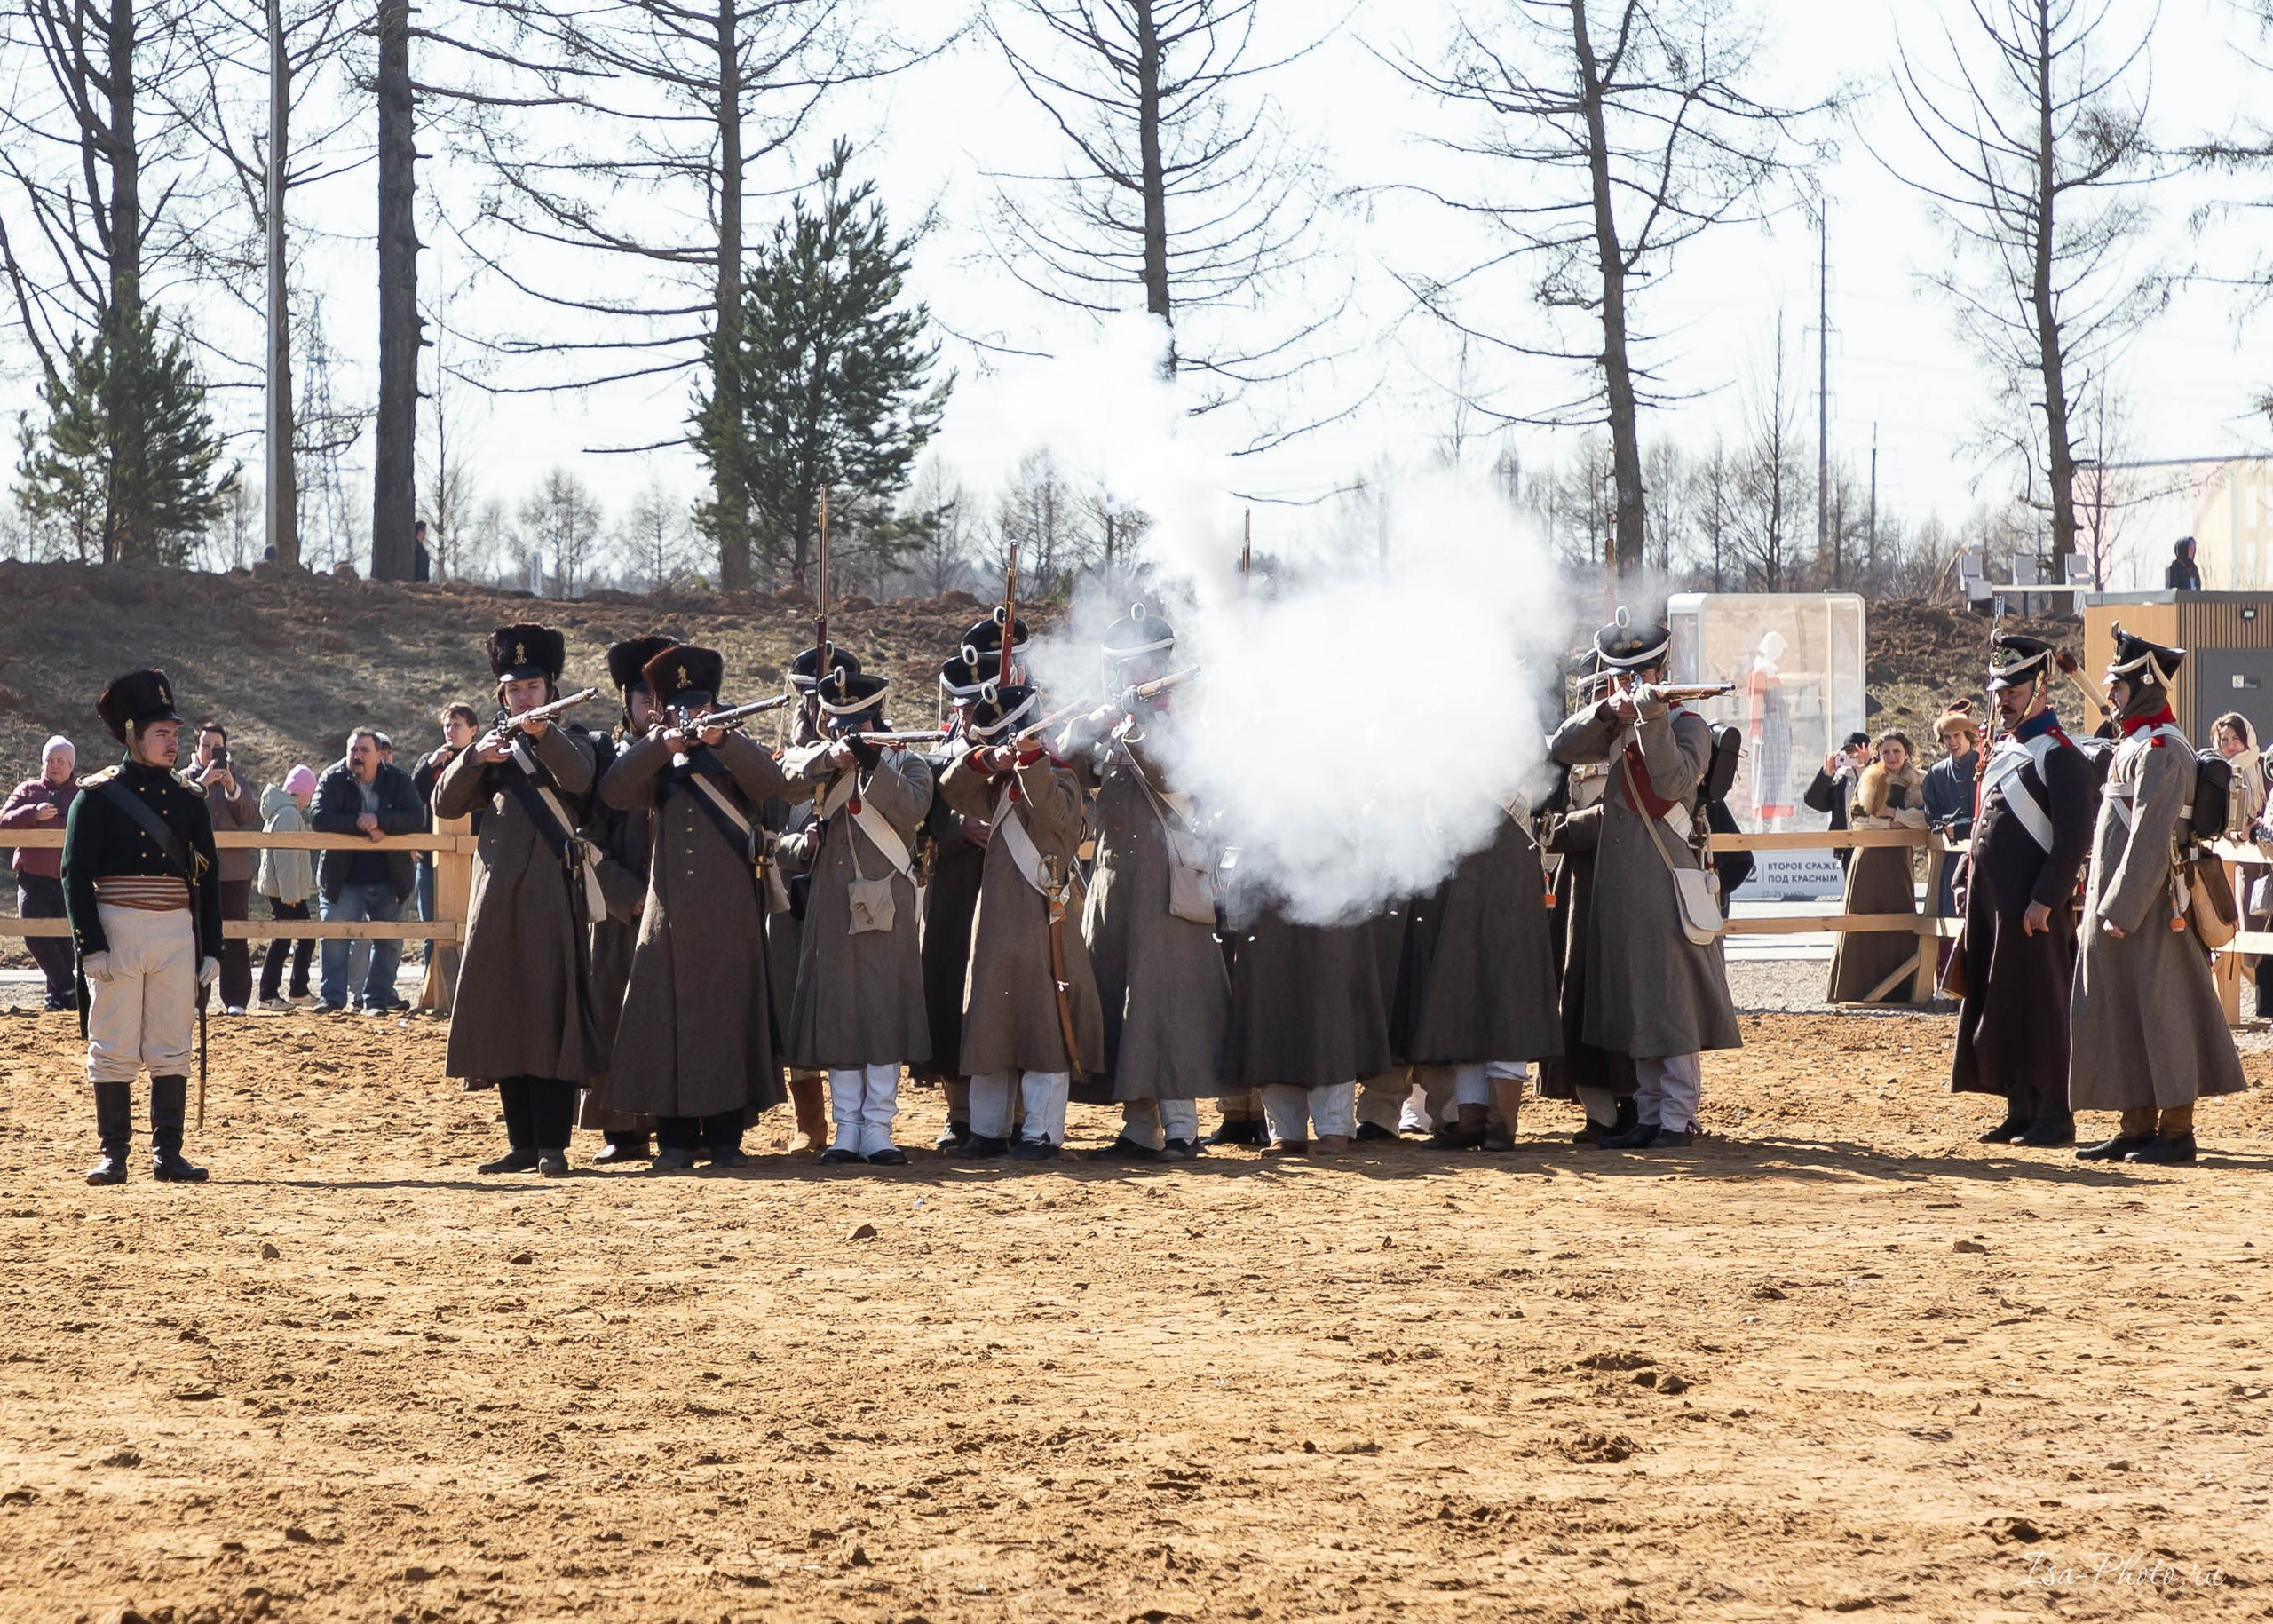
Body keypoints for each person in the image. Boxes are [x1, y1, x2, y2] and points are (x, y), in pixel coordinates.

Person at [1547, 609, 1743, 1150]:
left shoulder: (1687, 725)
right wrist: (1609, 711)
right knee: (1638, 1003)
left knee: (1670, 1004)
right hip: (1621, 888)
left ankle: (1677, 1117)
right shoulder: (1614, 722)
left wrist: (1650, 717)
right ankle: (1651, 1115)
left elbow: (1672, 783)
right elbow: (1561, 748)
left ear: (1660, 671)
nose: (1632, 685)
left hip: (1665, 882)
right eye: (1621, 677)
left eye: (1641, 675)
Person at [597, 643, 793, 1169]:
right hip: (667, 915)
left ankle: (727, 1138)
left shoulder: (734, 748)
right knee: (666, 1027)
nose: (693, 717)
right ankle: (675, 1141)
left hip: (730, 913)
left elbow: (773, 787)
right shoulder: (655, 755)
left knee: (728, 1024)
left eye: (701, 707)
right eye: (683, 709)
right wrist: (660, 744)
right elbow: (614, 792)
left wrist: (722, 739)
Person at [434, 623, 607, 1176]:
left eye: (533, 686)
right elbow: (444, 804)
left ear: (550, 689)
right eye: (514, 688)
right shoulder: (492, 749)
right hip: (495, 896)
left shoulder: (572, 735)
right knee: (506, 1013)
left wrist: (542, 737)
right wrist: (473, 759)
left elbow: (581, 780)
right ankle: (522, 1144)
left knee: (549, 1014)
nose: (524, 696)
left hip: (552, 895)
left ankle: (553, 1143)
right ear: (501, 694)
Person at [2071, 630, 2248, 1164]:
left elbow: (2151, 834)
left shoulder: (2162, 748)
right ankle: (2136, 1123)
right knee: (2127, 1012)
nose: (2114, 696)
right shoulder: (2136, 742)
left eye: (2121, 687)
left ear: (2145, 685)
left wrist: (2121, 907)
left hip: (2155, 906)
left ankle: (2175, 1130)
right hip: (2127, 903)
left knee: (2165, 1012)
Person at [1063, 605, 1228, 1162]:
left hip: (1166, 883)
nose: (1127, 679)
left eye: (1137, 668)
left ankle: (1182, 1129)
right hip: (1114, 881)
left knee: (1167, 1004)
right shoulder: (1116, 720)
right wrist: (1086, 729)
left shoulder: (1182, 727)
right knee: (1120, 1000)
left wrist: (1136, 726)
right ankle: (1138, 1127)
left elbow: (1178, 780)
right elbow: (1064, 764)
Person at [62, 670, 223, 1185]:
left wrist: (211, 948)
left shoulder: (190, 799)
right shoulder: (98, 797)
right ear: (131, 735)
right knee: (111, 1044)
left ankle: (168, 1153)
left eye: (175, 733)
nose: (173, 741)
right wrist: (91, 946)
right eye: (161, 733)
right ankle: (114, 1154)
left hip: (176, 929)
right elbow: (74, 874)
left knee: (171, 1041)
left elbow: (209, 880)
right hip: (118, 927)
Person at [939, 679, 1105, 1161]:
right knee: (990, 1027)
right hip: (994, 923)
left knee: (1044, 1032)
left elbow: (1058, 819)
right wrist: (990, 760)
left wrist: (1032, 762)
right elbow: (951, 789)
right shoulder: (997, 782)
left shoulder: (1063, 776)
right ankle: (988, 1131)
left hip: (1043, 919)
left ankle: (1042, 1134)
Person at [780, 667, 933, 1167]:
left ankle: (879, 1127)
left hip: (887, 902)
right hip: (830, 906)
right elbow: (785, 778)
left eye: (858, 721)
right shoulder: (821, 761)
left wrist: (874, 765)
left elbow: (913, 810)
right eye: (837, 720)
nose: (847, 730)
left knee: (883, 1016)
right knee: (842, 1018)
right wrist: (834, 757)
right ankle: (847, 1127)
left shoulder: (906, 762)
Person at [1951, 633, 2095, 1147]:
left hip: (2034, 906)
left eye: (2013, 689)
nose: (2003, 699)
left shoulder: (2058, 753)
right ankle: (2020, 1108)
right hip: (1993, 906)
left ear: (2040, 687)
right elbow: (1982, 824)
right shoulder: (2003, 750)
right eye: (1999, 690)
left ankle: (2055, 1113)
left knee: (2043, 1007)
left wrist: (2045, 899)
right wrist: (1965, 879)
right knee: (2003, 1002)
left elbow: (2075, 837)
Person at [1391, 782, 1565, 1149]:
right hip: (1460, 887)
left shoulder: (1506, 751)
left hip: (1507, 887)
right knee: (1465, 1006)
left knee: (1507, 1006)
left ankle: (1502, 1124)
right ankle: (1470, 1121)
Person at [578, 637, 677, 1165]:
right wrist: (624, 894)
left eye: (662, 700)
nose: (655, 711)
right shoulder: (602, 755)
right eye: (645, 700)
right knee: (616, 1014)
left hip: (684, 909)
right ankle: (623, 1129)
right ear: (627, 704)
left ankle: (686, 1125)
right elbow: (585, 834)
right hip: (624, 912)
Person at [766, 645, 863, 1153]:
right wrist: (793, 847)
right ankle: (811, 1122)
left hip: (853, 899)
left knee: (852, 1009)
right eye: (813, 701)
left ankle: (860, 1122)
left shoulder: (868, 758)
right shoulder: (780, 763)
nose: (821, 711)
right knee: (794, 1009)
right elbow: (762, 835)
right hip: (792, 900)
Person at [1536, 674, 1639, 1143]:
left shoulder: (1648, 738)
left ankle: (1644, 1105)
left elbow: (1628, 814)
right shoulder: (1572, 747)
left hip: (1632, 880)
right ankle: (1599, 1111)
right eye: (1598, 693)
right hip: (1578, 885)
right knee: (1576, 994)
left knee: (1631, 995)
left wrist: (1565, 829)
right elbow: (1545, 808)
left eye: (1613, 690)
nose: (1608, 700)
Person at [913, 650, 994, 1149]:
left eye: (977, 704)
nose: (967, 714)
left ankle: (1005, 1112)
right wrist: (954, 829)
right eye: (962, 705)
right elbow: (916, 818)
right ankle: (959, 1111)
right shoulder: (936, 753)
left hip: (1003, 885)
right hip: (950, 887)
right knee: (944, 990)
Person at [308, 727, 424, 1014]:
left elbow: (415, 817)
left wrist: (380, 820)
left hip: (390, 877)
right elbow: (318, 817)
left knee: (389, 943)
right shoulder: (332, 778)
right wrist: (362, 825)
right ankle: (332, 999)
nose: (357, 756)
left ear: (378, 755)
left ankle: (377, 1000)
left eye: (364, 750)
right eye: (353, 750)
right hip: (342, 878)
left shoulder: (397, 780)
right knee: (334, 936)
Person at [1825, 731, 1928, 1004]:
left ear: (1906, 752)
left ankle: (1900, 990)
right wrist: (1892, 825)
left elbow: (1923, 819)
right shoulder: (1870, 778)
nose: (1892, 757)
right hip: (1869, 858)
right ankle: (1855, 989)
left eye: (1896, 751)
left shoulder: (1918, 781)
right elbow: (1858, 819)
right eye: (1886, 752)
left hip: (1897, 861)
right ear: (1879, 754)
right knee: (1862, 917)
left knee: (1899, 919)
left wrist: (1894, 814)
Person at [186, 720, 260, 1014]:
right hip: (195, 872)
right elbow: (178, 815)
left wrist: (231, 788)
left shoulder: (238, 778)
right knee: (193, 935)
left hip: (234, 872)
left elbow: (248, 816)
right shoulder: (183, 779)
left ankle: (237, 1000)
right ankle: (194, 999)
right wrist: (202, 783)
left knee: (235, 935)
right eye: (206, 745)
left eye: (217, 746)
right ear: (196, 748)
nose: (211, 751)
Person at [2, 735, 82, 1010]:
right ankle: (69, 988)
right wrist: (32, 814)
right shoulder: (28, 790)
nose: (54, 765)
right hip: (32, 878)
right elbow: (2, 822)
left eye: (61, 760)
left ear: (71, 764)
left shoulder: (82, 794)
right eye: (50, 760)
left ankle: (57, 998)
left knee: (63, 939)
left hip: (69, 878)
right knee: (34, 934)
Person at [412, 705, 480, 947]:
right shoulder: (430, 761)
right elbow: (412, 797)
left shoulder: (483, 760)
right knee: (432, 930)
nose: (451, 731)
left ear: (473, 730)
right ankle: (432, 982)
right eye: (447, 726)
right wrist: (429, 766)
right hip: (432, 859)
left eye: (457, 725)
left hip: (474, 856)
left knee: (473, 927)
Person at [255, 764, 319, 1008]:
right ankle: (270, 994)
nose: (309, 800)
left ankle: (295, 990)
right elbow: (286, 859)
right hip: (285, 891)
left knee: (301, 937)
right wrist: (290, 895)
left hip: (285, 889)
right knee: (286, 939)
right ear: (301, 792)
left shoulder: (282, 812)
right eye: (309, 795)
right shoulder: (288, 815)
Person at [1921, 702, 1983, 922]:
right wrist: (1945, 826)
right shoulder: (1936, 774)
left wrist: (1965, 826)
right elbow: (1931, 813)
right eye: (1947, 737)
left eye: (1957, 735)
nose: (1952, 742)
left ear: (1968, 736)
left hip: (1982, 852)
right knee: (1950, 911)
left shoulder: (1984, 765)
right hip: (1951, 855)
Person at [1803, 733, 1870, 869]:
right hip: (1848, 846)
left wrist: (1865, 768)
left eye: (1858, 751)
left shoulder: (1878, 773)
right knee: (1853, 890)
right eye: (1849, 752)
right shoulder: (1841, 780)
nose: (1853, 756)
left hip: (1874, 843)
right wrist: (1826, 774)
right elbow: (1813, 801)